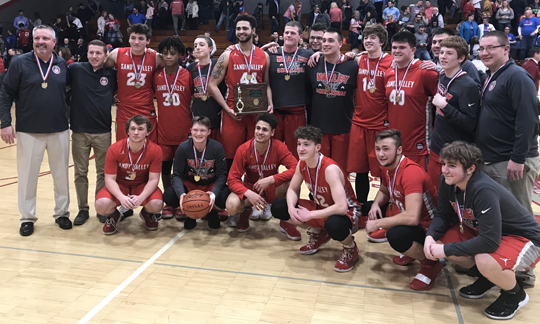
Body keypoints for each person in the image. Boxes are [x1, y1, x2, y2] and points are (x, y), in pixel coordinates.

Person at [424, 141, 540, 320]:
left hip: (524, 238)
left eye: (452, 166)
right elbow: (442, 214)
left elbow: (490, 242)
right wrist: (430, 236)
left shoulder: (483, 189)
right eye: (444, 164)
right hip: (491, 232)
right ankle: (490, 279)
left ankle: (515, 295)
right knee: (439, 241)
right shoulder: (448, 181)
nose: (444, 170)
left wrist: (445, 251)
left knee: (484, 260)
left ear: (470, 169)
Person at [0, 25, 72, 236]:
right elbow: (6, 94)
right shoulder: (20, 63)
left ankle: (62, 213)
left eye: (45, 38)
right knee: (27, 176)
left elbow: (67, 91)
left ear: (53, 42)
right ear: (32, 41)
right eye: (37, 38)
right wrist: (5, 123)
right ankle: (27, 218)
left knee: (61, 176)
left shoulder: (60, 64)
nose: (41, 42)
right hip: (28, 131)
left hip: (59, 129)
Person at [271, 126, 363, 272]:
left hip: (349, 214)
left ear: (317, 147)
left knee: (333, 224)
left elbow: (341, 207)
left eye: (306, 144)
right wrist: (290, 207)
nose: (301, 148)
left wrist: (310, 215)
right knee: (279, 207)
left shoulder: (329, 169)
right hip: (322, 209)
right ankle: (319, 233)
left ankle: (350, 248)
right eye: (299, 144)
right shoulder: (302, 164)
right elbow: (293, 189)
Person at [366, 129, 439, 289]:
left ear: (399, 150)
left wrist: (379, 223)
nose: (380, 154)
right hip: (413, 220)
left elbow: (412, 217)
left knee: (396, 236)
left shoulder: (411, 173)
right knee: (368, 207)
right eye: (378, 149)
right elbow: (384, 190)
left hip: (431, 226)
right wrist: (375, 204)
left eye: (386, 149)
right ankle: (414, 251)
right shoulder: (388, 166)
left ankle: (431, 264)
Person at [477, 30, 540, 217]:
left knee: (518, 218)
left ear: (506, 49)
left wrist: (518, 158)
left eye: (490, 48)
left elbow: (528, 120)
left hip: (510, 161)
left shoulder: (517, 76)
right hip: (494, 158)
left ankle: (532, 247)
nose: (484, 53)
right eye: (481, 48)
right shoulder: (492, 76)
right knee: (500, 217)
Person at [208, 15, 273, 167]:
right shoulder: (227, 55)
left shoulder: (264, 56)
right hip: (233, 112)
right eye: (238, 28)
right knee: (230, 155)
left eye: (245, 28)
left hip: (257, 112)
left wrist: (270, 103)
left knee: (254, 155)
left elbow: (266, 84)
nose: (241, 32)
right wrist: (227, 109)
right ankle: (232, 188)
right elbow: (212, 84)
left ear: (253, 30)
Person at [226, 113, 300, 238]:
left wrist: (272, 179)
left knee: (293, 182)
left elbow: (297, 169)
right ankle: (245, 214)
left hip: (272, 188)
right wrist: (248, 193)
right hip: (251, 187)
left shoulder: (279, 147)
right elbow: (232, 179)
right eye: (258, 128)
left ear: (272, 132)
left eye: (264, 129)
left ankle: (286, 222)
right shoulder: (243, 149)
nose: (260, 132)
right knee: (231, 205)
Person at [68, 40, 117, 225]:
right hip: (79, 131)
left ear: (105, 56)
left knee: (103, 173)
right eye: (91, 53)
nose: (94, 56)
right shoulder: (76, 70)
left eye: (98, 53)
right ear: (87, 54)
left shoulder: (112, 74)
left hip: (103, 131)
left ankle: (100, 207)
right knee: (80, 172)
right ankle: (82, 209)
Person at [95, 115, 163, 235]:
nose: (136, 132)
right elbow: (109, 179)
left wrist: (141, 197)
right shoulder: (114, 149)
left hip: (141, 185)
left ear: (148, 132)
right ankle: (113, 215)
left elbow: (153, 180)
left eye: (140, 129)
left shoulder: (155, 150)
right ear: (127, 131)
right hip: (120, 185)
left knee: (157, 205)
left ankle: (147, 214)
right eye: (133, 129)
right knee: (101, 205)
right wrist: (121, 197)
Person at [348, 24, 393, 204]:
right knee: (360, 170)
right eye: (365, 37)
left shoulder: (390, 62)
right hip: (359, 123)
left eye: (372, 37)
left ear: (381, 41)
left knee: (383, 170)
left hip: (381, 125)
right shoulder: (359, 60)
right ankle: (361, 206)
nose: (368, 40)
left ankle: (383, 206)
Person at [429, 36, 481, 188]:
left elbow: (470, 123)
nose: (443, 56)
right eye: (442, 52)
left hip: (455, 154)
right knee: (433, 193)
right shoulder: (442, 76)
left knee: (451, 201)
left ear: (461, 58)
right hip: (437, 147)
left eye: (449, 53)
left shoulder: (468, 85)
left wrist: (446, 107)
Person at [162, 116, 229, 228]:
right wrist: (181, 194)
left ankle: (210, 211)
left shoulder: (217, 148)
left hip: (209, 186)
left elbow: (222, 175)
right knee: (169, 195)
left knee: (225, 196)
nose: (198, 134)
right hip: (190, 186)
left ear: (209, 132)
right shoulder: (183, 148)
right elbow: (177, 175)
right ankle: (191, 213)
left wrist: (214, 194)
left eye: (202, 130)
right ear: (191, 130)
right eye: (195, 130)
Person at [384, 31, 438, 170]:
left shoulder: (426, 72)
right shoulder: (389, 72)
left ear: (413, 50)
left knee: (418, 188)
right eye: (394, 47)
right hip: (394, 142)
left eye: (402, 48)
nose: (397, 51)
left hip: (418, 143)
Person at [153, 37, 194, 218]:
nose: (168, 57)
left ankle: (182, 201)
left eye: (172, 53)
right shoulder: (156, 75)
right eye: (165, 53)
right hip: (163, 131)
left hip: (184, 130)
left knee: (183, 170)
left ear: (179, 54)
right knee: (165, 169)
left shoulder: (187, 74)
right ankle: (169, 202)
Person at [307, 28, 358, 171]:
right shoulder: (313, 64)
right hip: (318, 128)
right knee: (318, 170)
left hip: (343, 127)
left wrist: (355, 54)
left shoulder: (352, 65)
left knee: (340, 171)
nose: (326, 44)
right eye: (324, 40)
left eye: (330, 40)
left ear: (341, 43)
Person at [104, 24, 164, 143]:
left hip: (146, 108)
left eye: (141, 38)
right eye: (133, 37)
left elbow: (168, 72)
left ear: (148, 41)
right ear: (129, 39)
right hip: (124, 109)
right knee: (123, 147)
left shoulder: (156, 57)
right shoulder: (117, 54)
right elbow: (104, 74)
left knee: (149, 147)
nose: (136, 42)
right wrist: (111, 93)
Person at [263, 22, 313, 160]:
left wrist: (319, 53)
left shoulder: (309, 54)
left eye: (292, 33)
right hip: (275, 111)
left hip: (297, 112)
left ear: (300, 37)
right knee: (271, 153)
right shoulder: (271, 53)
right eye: (286, 32)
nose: (288, 35)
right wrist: (264, 47)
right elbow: (253, 60)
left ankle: (295, 181)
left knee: (296, 154)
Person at [188, 35, 223, 143]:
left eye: (201, 45)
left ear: (210, 48)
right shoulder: (190, 68)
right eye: (195, 45)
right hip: (198, 115)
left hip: (215, 115)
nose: (197, 47)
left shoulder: (218, 65)